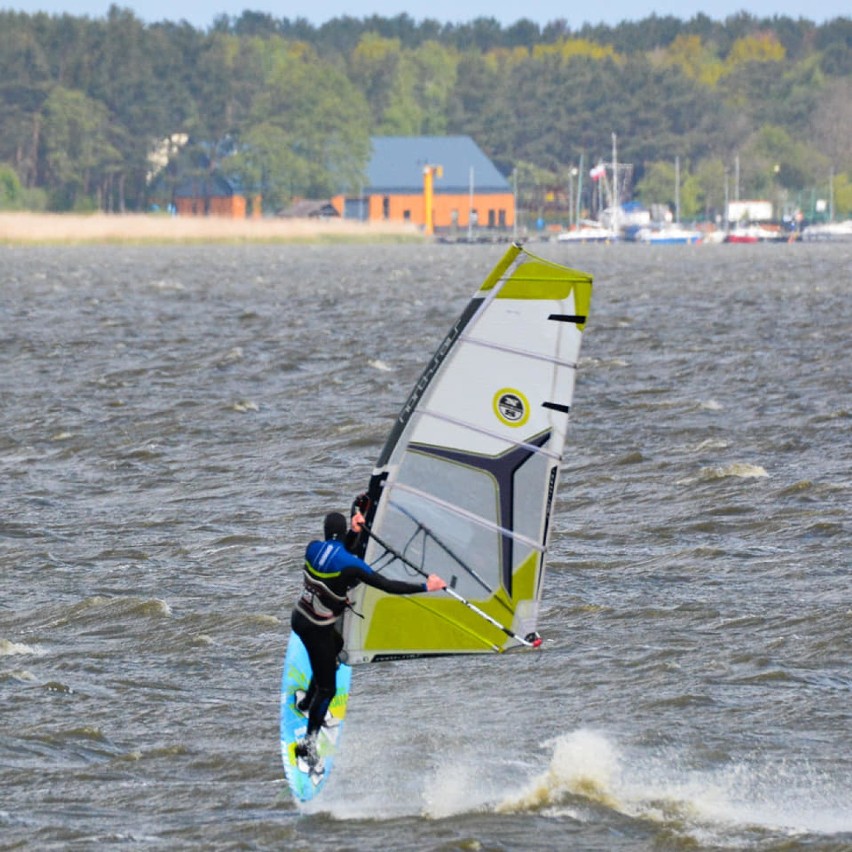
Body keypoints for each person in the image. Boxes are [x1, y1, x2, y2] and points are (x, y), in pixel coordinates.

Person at [290, 508, 445, 765]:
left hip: (300, 618)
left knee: (336, 646)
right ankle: (307, 745)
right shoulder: (352, 565)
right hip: (316, 628)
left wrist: (355, 532)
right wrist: (426, 586)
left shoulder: (312, 548)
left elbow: (339, 554)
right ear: (342, 534)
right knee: (328, 689)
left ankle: (306, 701)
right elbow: (387, 586)